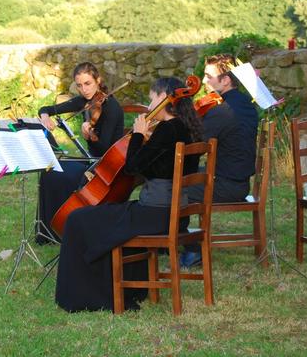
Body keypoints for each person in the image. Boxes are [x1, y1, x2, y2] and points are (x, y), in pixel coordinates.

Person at [55, 77, 203, 312]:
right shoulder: (187, 128)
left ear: (165, 98)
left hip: (155, 215)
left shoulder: (166, 130)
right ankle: (130, 286)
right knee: (106, 214)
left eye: (152, 98)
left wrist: (137, 134)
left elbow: (132, 166)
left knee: (77, 219)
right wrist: (146, 142)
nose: (149, 104)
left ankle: (89, 294)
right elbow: (157, 168)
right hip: (176, 213)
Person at [180, 54, 260, 268]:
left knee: (173, 188)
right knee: (183, 179)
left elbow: (193, 146)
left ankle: (190, 248)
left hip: (225, 185)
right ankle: (177, 239)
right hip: (239, 181)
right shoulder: (246, 104)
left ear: (225, 80)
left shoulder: (221, 110)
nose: (204, 82)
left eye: (208, 77)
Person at [35, 62, 124, 243]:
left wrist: (90, 136)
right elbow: (47, 109)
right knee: (50, 169)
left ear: (98, 80)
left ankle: (66, 229)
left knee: (63, 173)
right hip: (90, 160)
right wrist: (45, 116)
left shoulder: (111, 107)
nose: (84, 89)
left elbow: (104, 148)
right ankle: (48, 232)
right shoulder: (84, 101)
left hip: (105, 166)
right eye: (80, 85)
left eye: (88, 83)